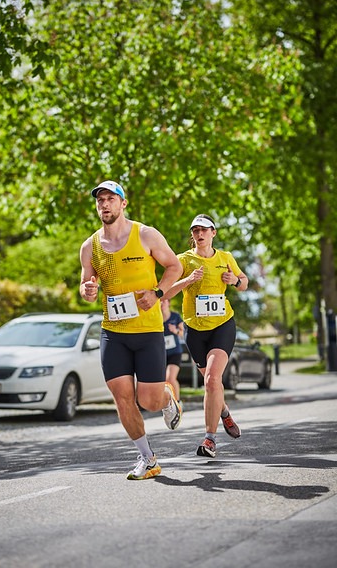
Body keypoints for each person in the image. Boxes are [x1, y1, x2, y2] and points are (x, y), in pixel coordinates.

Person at [79, 180, 183, 480]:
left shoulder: (145, 234)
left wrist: (158, 293)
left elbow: (174, 266)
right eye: (100, 200)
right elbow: (86, 285)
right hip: (113, 333)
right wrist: (87, 290)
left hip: (148, 331)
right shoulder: (90, 246)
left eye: (110, 199)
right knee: (122, 397)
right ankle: (148, 459)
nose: (104, 204)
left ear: (123, 203)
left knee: (148, 401)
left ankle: (167, 397)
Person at [164, 214, 248, 458]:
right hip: (195, 331)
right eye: (195, 230)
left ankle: (209, 439)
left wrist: (235, 280)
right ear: (192, 235)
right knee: (214, 384)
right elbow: (165, 292)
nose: (199, 234)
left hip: (222, 325)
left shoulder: (225, 257)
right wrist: (188, 280)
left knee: (211, 380)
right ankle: (224, 413)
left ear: (213, 233)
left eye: (204, 229)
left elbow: (244, 282)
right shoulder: (183, 260)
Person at [160, 298, 184, 403]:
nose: (161, 303)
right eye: (160, 301)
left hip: (175, 352)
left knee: (170, 377)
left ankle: (177, 402)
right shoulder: (155, 318)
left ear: (168, 303)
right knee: (162, 381)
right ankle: (167, 402)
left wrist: (175, 331)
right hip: (160, 353)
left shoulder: (175, 316)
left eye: (164, 301)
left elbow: (183, 333)